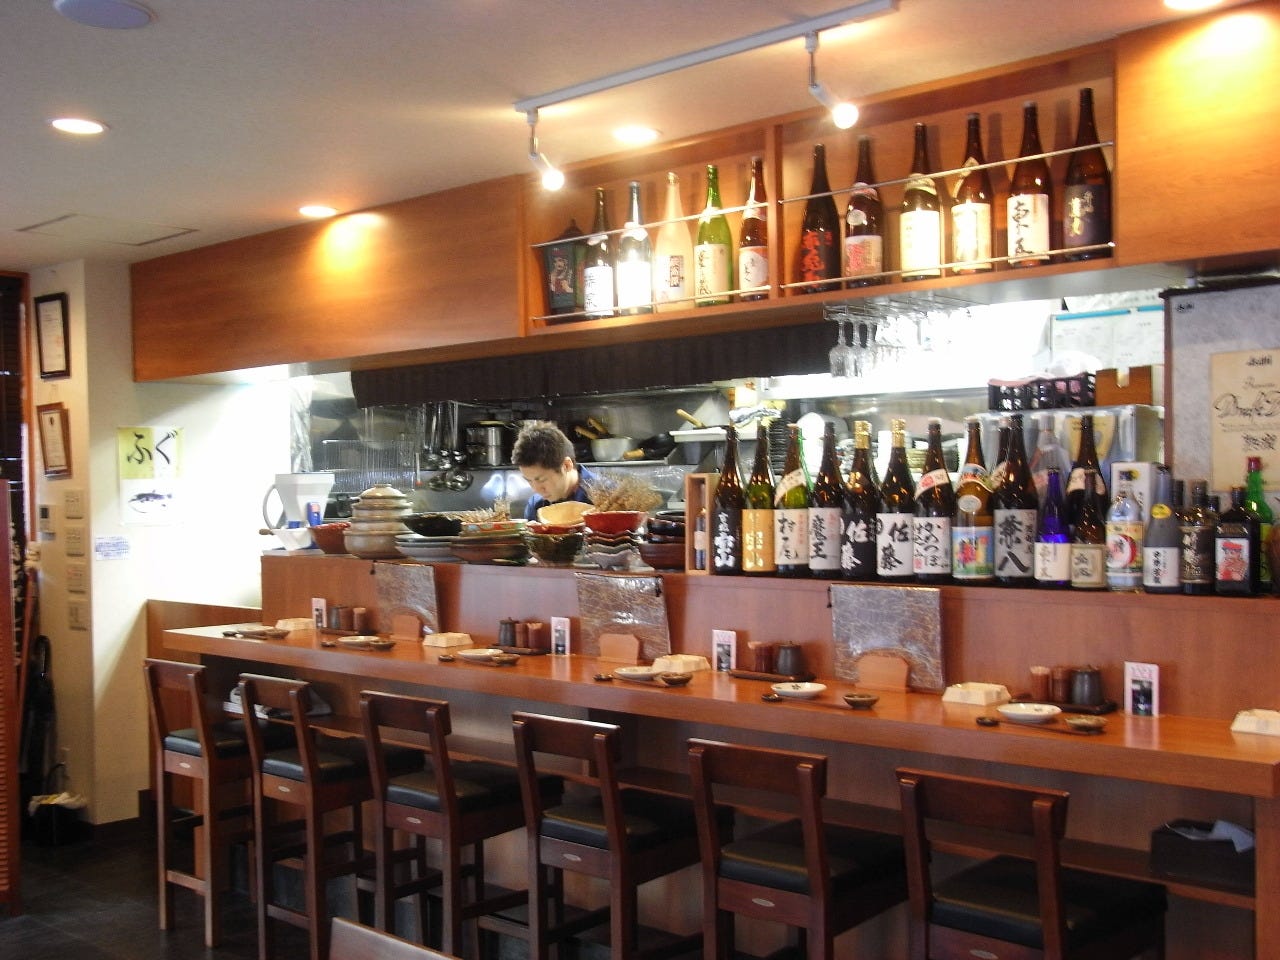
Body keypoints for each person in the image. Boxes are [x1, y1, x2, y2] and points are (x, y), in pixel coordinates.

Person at [512, 421, 599, 521]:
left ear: (566, 465)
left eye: (542, 480)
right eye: (529, 481)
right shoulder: (536, 505)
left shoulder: (607, 498)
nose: (536, 489)